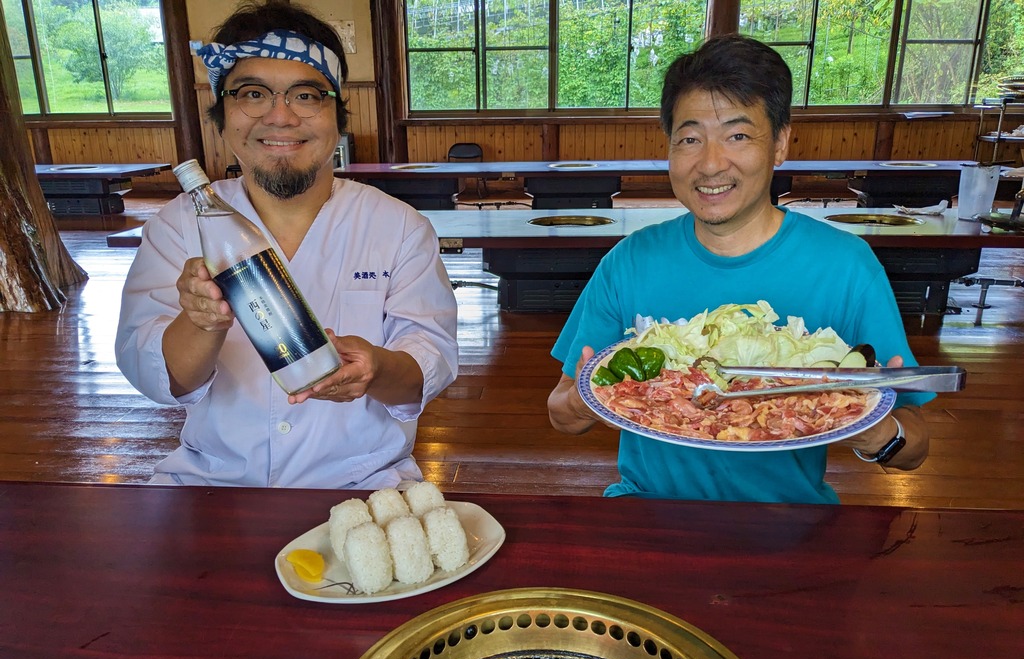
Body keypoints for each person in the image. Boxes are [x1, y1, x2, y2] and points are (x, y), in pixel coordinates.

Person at [547, 34, 932, 504]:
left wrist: (871, 430)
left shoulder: (846, 266)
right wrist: (589, 402)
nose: (711, 164)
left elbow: (914, 447)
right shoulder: (629, 261)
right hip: (645, 511)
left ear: (780, 144)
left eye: (738, 135)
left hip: (789, 523)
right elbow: (561, 411)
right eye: (690, 139)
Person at [115, 0, 458, 489]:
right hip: (213, 481)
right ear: (223, 116)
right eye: (252, 94)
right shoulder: (179, 226)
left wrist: (374, 370)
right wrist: (200, 321)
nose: (280, 116)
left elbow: (430, 363)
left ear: (336, 116)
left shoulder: (398, 226)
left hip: (364, 483)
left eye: (306, 95)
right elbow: (160, 379)